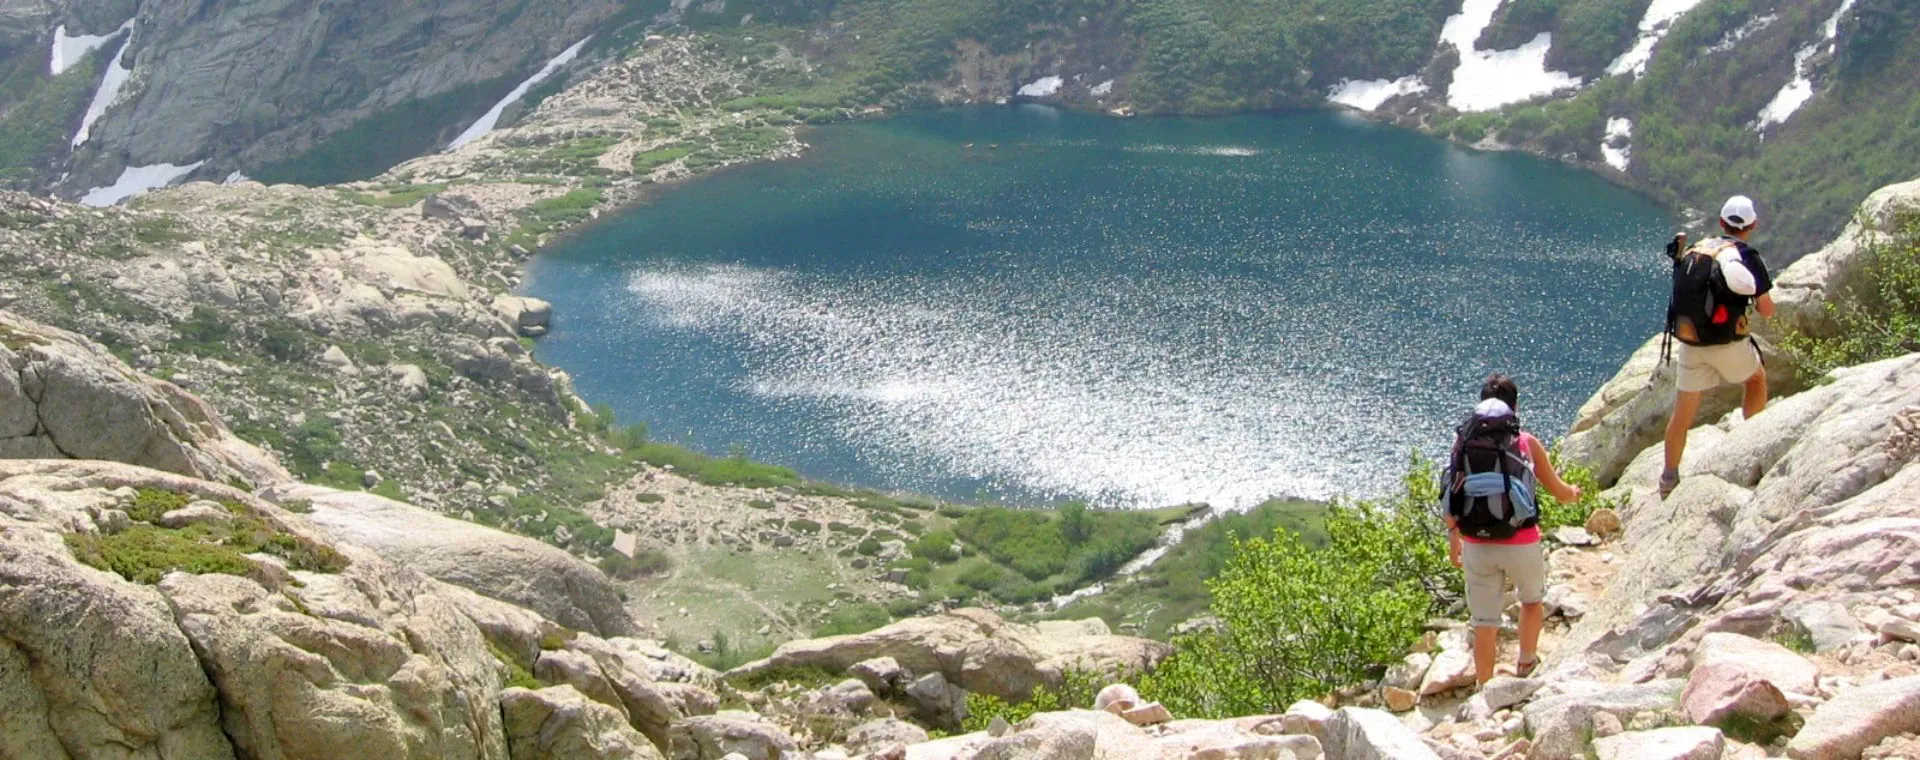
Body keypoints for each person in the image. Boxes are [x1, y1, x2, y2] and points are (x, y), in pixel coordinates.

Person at [1444, 374, 1580, 684]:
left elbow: (1450, 490)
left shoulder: (1462, 443)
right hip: (1520, 540)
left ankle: (1483, 686)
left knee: (1483, 622)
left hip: (1475, 541)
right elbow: (1559, 492)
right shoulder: (1525, 443)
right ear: (1514, 407)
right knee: (1531, 601)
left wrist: (1454, 535)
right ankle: (1526, 663)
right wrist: (1573, 493)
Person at [1659, 195, 1776, 497]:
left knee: (1683, 412)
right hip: (1726, 341)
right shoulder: (1745, 255)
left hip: (1690, 341)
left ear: (1722, 222)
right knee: (1755, 379)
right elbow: (1767, 309)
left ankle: (1669, 477)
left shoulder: (1699, 249)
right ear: (1752, 226)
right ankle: (1755, 447)